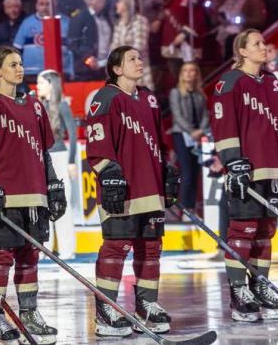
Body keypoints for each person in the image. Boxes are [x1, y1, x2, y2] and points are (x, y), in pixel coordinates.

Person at [0, 45, 64, 344]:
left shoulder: (34, 106)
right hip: (5, 197)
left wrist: (53, 185)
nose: (20, 69)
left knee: (29, 258)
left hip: (34, 197)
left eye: (21, 64)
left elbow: (43, 154)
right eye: (12, 65)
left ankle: (29, 314)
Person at [86, 45, 178, 337]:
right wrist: (108, 173)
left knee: (151, 248)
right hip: (121, 187)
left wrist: (166, 169)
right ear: (116, 68)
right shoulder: (105, 98)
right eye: (132, 59)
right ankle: (106, 309)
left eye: (140, 57)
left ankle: (146, 304)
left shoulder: (149, 98)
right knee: (117, 246)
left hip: (150, 186)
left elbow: (158, 140)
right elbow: (96, 146)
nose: (140, 62)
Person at [210, 28, 278, 322]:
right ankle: (238, 291)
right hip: (246, 169)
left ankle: (261, 286)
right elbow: (223, 126)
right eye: (257, 43)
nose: (264, 46)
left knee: (265, 232)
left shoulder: (271, 82)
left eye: (263, 42)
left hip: (272, 169)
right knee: (242, 230)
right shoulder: (229, 83)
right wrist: (233, 162)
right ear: (242, 51)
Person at [36, 69, 78, 259]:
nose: (37, 86)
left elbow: (73, 134)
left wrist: (71, 162)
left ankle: (67, 249)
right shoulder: (38, 106)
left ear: (51, 84)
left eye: (41, 83)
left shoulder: (62, 106)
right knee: (43, 204)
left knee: (62, 202)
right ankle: (45, 249)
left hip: (60, 157)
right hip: (42, 159)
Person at [169, 63, 209, 219]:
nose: (188, 73)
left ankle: (192, 209)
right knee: (186, 172)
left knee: (195, 172)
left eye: (192, 70)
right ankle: (185, 211)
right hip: (182, 135)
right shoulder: (175, 92)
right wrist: (191, 131)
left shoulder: (200, 94)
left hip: (197, 138)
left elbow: (205, 115)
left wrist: (201, 131)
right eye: (185, 70)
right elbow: (177, 116)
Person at [110, 0, 153, 90]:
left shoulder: (140, 21)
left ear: (126, 6)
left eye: (119, 2)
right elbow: (114, 47)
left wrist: (120, 54)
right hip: (124, 73)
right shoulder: (119, 24)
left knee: (142, 101)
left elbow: (139, 46)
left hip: (140, 72)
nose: (116, 5)